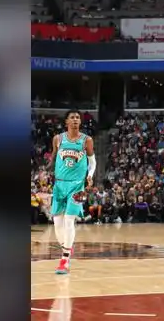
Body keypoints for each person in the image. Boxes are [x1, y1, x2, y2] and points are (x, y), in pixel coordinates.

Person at [50, 110, 96, 275]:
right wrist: (49, 169)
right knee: (57, 222)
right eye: (72, 117)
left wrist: (90, 176)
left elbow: (92, 162)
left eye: (78, 118)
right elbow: (54, 157)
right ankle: (67, 247)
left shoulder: (86, 140)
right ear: (66, 122)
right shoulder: (58, 139)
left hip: (77, 186)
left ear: (80, 122)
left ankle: (64, 260)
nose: (75, 119)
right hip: (59, 184)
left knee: (69, 220)